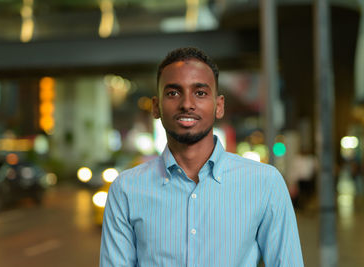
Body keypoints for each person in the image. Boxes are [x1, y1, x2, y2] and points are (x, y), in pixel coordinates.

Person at [100, 47, 304, 266]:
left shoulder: (265, 183)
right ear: (156, 107)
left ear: (219, 106)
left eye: (200, 93)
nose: (187, 104)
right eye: (173, 93)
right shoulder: (125, 190)